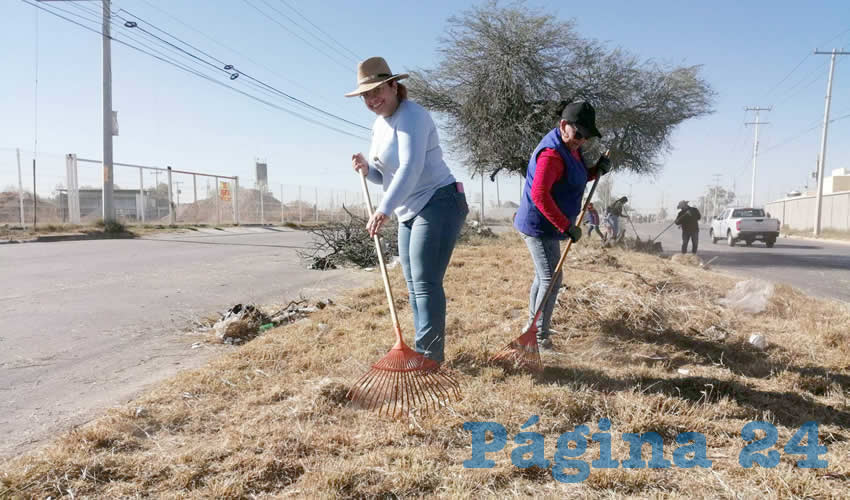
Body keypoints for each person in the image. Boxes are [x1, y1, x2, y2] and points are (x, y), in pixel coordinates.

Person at [347, 57, 469, 365]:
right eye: (365, 95)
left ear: (393, 85)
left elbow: (411, 167)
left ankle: (430, 358)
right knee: (414, 285)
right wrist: (366, 169)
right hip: (409, 209)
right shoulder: (379, 124)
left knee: (426, 282)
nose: (372, 99)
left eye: (377, 91)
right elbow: (386, 174)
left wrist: (383, 209)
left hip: (439, 201)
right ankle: (422, 349)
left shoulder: (412, 115)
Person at [513, 101, 611, 349]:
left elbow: (571, 176)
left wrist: (595, 171)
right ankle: (539, 338)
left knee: (544, 277)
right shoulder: (552, 154)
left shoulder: (570, 148)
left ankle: (531, 329)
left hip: (551, 224)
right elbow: (540, 195)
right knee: (551, 279)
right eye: (579, 134)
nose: (582, 140)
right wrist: (565, 226)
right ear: (563, 125)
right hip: (539, 225)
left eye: (587, 136)